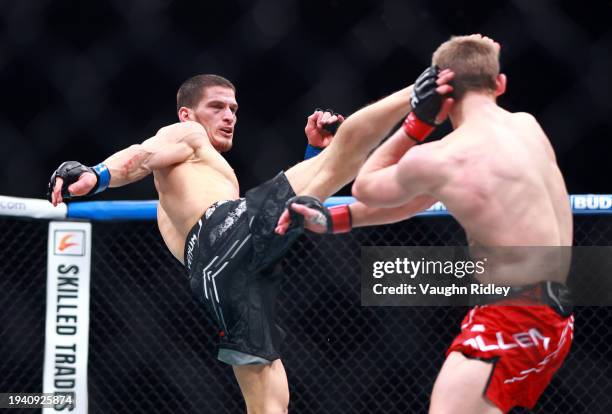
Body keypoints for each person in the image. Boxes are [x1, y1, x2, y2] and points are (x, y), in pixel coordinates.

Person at [48, 71, 453, 413]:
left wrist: (313, 153)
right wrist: (97, 175)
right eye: (218, 107)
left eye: (234, 110)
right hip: (221, 233)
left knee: (268, 394)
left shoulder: (203, 173)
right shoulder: (187, 133)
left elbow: (274, 215)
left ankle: (338, 148)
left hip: (213, 275)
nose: (229, 117)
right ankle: (419, 90)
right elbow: (143, 153)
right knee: (346, 152)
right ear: (187, 113)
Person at [277, 35, 574, 413]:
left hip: (511, 315)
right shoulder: (527, 127)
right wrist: (336, 218)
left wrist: (417, 123)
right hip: (556, 318)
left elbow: (367, 185)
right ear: (500, 84)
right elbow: (421, 198)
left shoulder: (444, 156)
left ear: (440, 97)